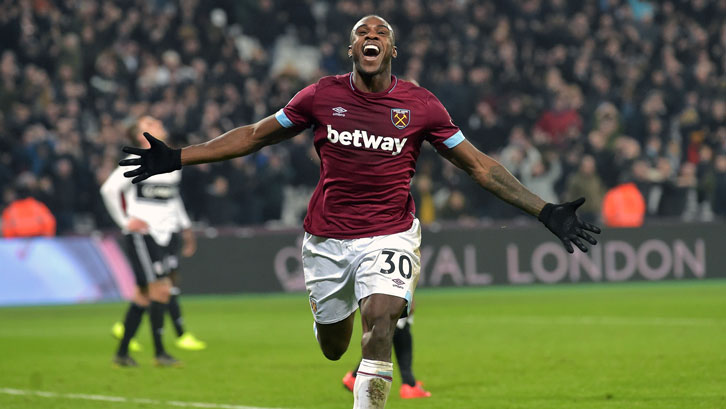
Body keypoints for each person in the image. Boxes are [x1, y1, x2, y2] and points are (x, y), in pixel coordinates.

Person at [119, 15, 600, 408]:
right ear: (351, 51)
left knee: (383, 316)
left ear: (392, 51)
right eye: (361, 34)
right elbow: (254, 135)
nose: (371, 37)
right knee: (334, 347)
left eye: (381, 34)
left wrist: (544, 210)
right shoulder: (320, 97)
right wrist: (180, 155)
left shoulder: (421, 106)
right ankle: (335, 317)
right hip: (327, 240)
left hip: (391, 234)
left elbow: (478, 165)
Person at [102, 116, 201, 367]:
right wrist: (125, 222)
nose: (158, 123)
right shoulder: (139, 160)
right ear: (139, 135)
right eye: (150, 123)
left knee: (144, 295)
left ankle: (122, 354)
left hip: (167, 233)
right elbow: (109, 190)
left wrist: (186, 227)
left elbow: (172, 199)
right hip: (143, 234)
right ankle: (160, 354)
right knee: (161, 289)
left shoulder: (168, 160)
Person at [342, 302, 430, 399]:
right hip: (393, 292)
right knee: (397, 325)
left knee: (391, 327)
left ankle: (354, 377)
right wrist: (411, 298)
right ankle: (409, 384)